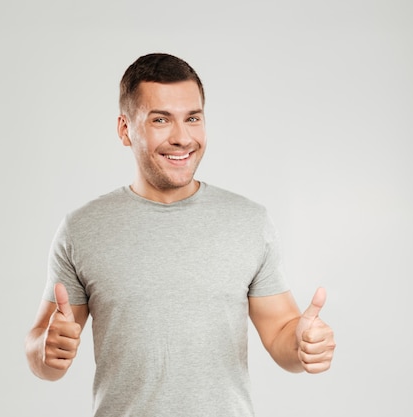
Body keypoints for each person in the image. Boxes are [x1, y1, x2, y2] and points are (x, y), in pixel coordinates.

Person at [25, 52, 336, 416]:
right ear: (125, 129)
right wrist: (46, 351)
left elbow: (282, 332)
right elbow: (41, 349)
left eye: (193, 118)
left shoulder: (249, 222)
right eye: (161, 119)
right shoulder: (82, 228)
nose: (182, 137)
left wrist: (302, 343)